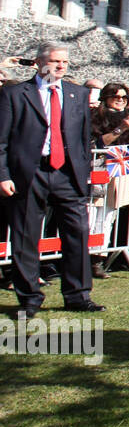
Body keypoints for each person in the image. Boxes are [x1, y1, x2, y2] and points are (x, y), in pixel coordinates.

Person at [0, 42, 102, 315]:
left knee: (77, 234)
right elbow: (2, 140)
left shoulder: (76, 94)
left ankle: (78, 295)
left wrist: (83, 174)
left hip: (67, 174)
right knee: (25, 237)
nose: (60, 67)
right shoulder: (14, 94)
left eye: (65, 63)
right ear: (38, 63)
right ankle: (30, 298)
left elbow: (82, 139)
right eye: (55, 61)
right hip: (29, 173)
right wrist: (3, 175)